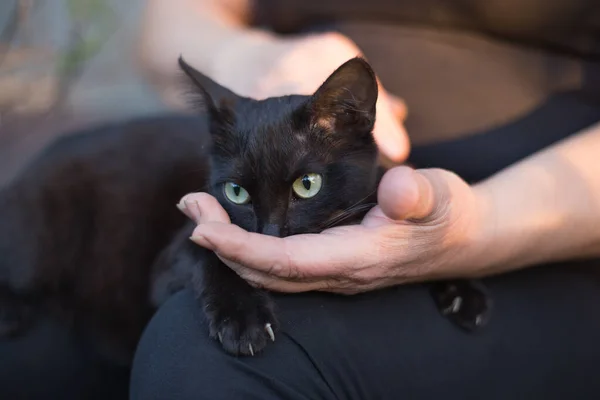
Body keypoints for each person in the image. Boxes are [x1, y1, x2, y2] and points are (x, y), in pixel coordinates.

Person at [130, 0, 600, 398]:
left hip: (541, 240)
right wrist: (239, 54)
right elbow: (169, 23)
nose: (272, 227)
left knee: (196, 352)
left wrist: (473, 232)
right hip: (273, 135)